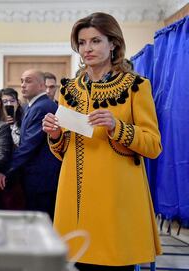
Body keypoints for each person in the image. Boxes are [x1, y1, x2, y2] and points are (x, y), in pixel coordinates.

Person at [42, 12, 162, 270]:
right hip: (73, 200)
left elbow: (153, 146)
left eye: (95, 41)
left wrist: (116, 126)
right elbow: (63, 151)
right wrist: (54, 135)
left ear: (113, 44)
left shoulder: (136, 86)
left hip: (116, 203)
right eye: (82, 43)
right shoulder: (67, 90)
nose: (87, 49)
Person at [0, 69, 61, 218]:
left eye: (28, 81)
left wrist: (5, 170)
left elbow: (27, 147)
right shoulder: (31, 106)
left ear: (42, 85)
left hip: (42, 180)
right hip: (35, 177)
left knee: (42, 224)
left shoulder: (42, 107)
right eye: (22, 81)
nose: (23, 85)